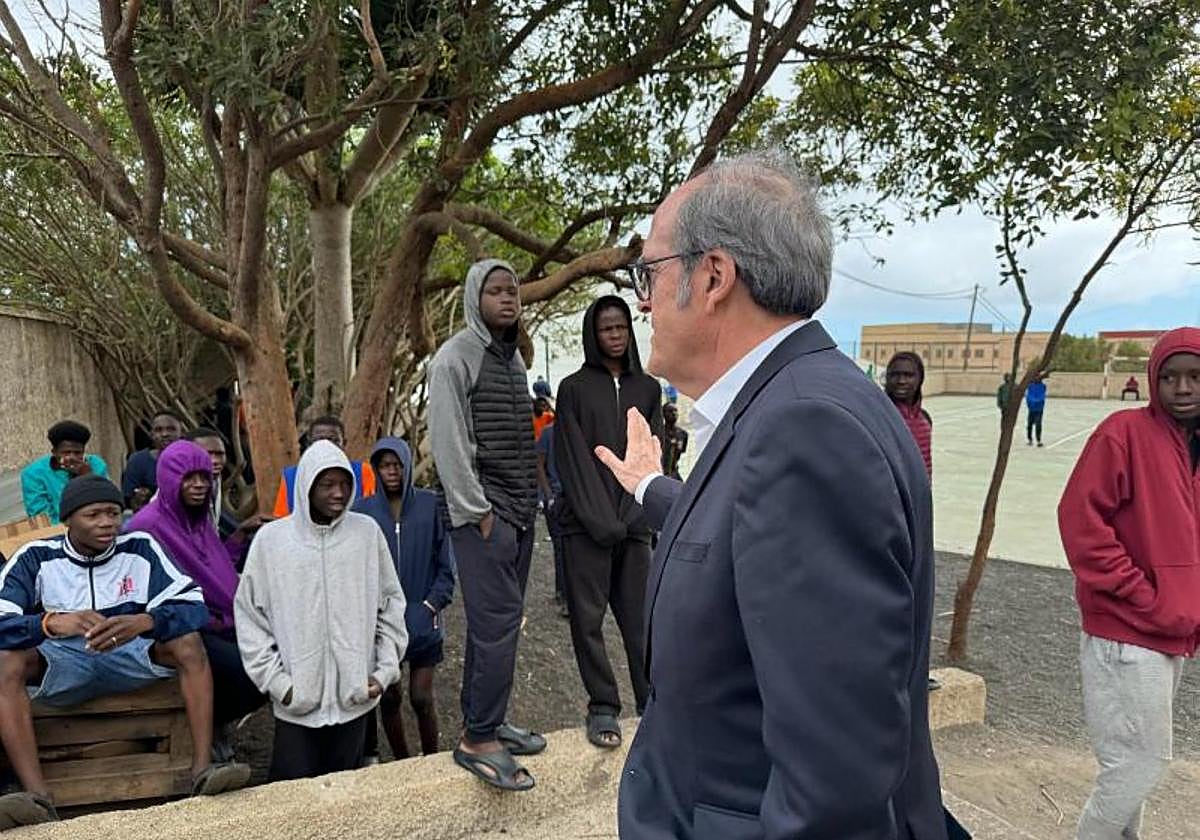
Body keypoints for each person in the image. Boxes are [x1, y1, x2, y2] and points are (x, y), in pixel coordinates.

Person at [595, 150, 952, 839]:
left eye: (650, 271)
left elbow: (834, 789)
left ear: (715, 275)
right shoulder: (793, 403)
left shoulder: (805, 429)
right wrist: (650, 486)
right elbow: (747, 546)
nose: (641, 300)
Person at [0, 476, 249, 828]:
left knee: (189, 643)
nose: (107, 523)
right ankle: (37, 798)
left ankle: (202, 770)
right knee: (6, 661)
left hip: (132, 656)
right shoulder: (36, 557)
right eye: (94, 514)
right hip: (62, 663)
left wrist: (145, 621)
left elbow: (194, 605)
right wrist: (49, 623)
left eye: (114, 513)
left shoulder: (140, 547)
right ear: (68, 519)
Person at [1058, 328, 1200, 840]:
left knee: (1131, 765)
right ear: (1151, 380)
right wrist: (1142, 593)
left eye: (1195, 376)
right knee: (1142, 763)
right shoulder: (1123, 433)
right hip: (1125, 631)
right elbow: (1080, 522)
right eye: (1169, 377)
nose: (1182, 388)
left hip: (1173, 634)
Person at [427, 258, 545, 792]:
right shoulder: (455, 358)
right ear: (475, 297)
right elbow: (449, 445)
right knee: (497, 627)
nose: (507, 299)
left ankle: (488, 721)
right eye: (495, 291)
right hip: (484, 517)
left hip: (519, 511)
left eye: (512, 290)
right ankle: (477, 742)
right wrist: (480, 515)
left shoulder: (512, 360)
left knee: (498, 628)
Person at [234, 441, 407, 782]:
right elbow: (250, 619)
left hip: (355, 699)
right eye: (327, 484)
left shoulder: (366, 534)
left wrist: (383, 673)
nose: (339, 493)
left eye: (344, 483)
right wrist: (279, 684)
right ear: (306, 486)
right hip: (297, 705)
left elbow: (391, 607)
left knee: (345, 800)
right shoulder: (272, 541)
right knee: (292, 802)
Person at [555, 295, 661, 749]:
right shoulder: (574, 389)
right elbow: (573, 459)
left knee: (641, 621)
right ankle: (603, 705)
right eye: (606, 330)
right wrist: (601, 520)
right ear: (592, 336)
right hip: (587, 528)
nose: (614, 336)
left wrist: (632, 513)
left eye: (620, 328)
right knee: (589, 620)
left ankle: (652, 702)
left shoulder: (649, 389)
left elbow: (656, 455)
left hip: (634, 526)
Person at [126, 441, 267, 758]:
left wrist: (238, 538)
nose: (200, 485)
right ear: (169, 479)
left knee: (276, 657)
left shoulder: (198, 520)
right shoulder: (146, 527)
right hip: (182, 626)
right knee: (250, 674)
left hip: (225, 618)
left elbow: (215, 570)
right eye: (189, 478)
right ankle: (209, 729)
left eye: (204, 477)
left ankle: (215, 726)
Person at [353, 437, 455, 760]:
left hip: (424, 618)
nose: (392, 471)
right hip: (382, 624)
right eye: (385, 466)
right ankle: (404, 762)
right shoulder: (363, 511)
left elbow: (446, 565)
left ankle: (433, 759)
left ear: (407, 465)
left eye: (397, 464)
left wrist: (430, 605)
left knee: (422, 697)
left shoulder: (431, 504)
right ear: (376, 469)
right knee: (390, 697)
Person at [271, 415, 376, 516]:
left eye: (333, 440)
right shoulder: (291, 476)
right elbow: (283, 518)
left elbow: (371, 511)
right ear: (309, 444)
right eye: (318, 441)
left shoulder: (362, 472)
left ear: (344, 443)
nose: (326, 445)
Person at [20, 421, 109, 524]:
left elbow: (106, 503)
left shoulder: (96, 465)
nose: (72, 458)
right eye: (66, 453)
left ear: (84, 451)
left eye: (77, 453)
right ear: (54, 452)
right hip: (56, 533)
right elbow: (41, 517)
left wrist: (88, 477)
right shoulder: (33, 474)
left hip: (95, 527)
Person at [535, 419, 568, 618]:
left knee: (565, 547)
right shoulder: (549, 433)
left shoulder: (577, 430)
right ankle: (563, 593)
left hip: (570, 499)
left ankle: (564, 592)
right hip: (556, 498)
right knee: (560, 546)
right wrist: (548, 495)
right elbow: (539, 463)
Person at [122, 411, 185, 512]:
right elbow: (128, 500)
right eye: (158, 430)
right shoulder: (138, 461)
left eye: (171, 429)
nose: (164, 434)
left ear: (181, 432)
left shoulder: (190, 460)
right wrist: (138, 498)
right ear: (151, 434)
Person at [886, 351, 933, 477]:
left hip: (920, 494)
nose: (901, 381)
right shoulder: (880, 417)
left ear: (920, 379)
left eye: (908, 375)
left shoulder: (925, 419)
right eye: (895, 375)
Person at [660, 402, 688, 480]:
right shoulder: (658, 433)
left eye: (676, 411)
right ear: (663, 414)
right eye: (670, 411)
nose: (674, 413)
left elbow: (681, 451)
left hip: (674, 472)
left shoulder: (683, 434)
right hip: (660, 472)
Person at [1026, 372, 1047, 446]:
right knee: (1029, 424)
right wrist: (1029, 404)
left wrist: (1035, 401)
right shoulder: (1030, 386)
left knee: (1038, 424)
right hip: (1031, 408)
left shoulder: (1043, 386)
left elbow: (1042, 396)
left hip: (1039, 409)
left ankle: (1038, 440)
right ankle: (1030, 439)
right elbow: (1028, 395)